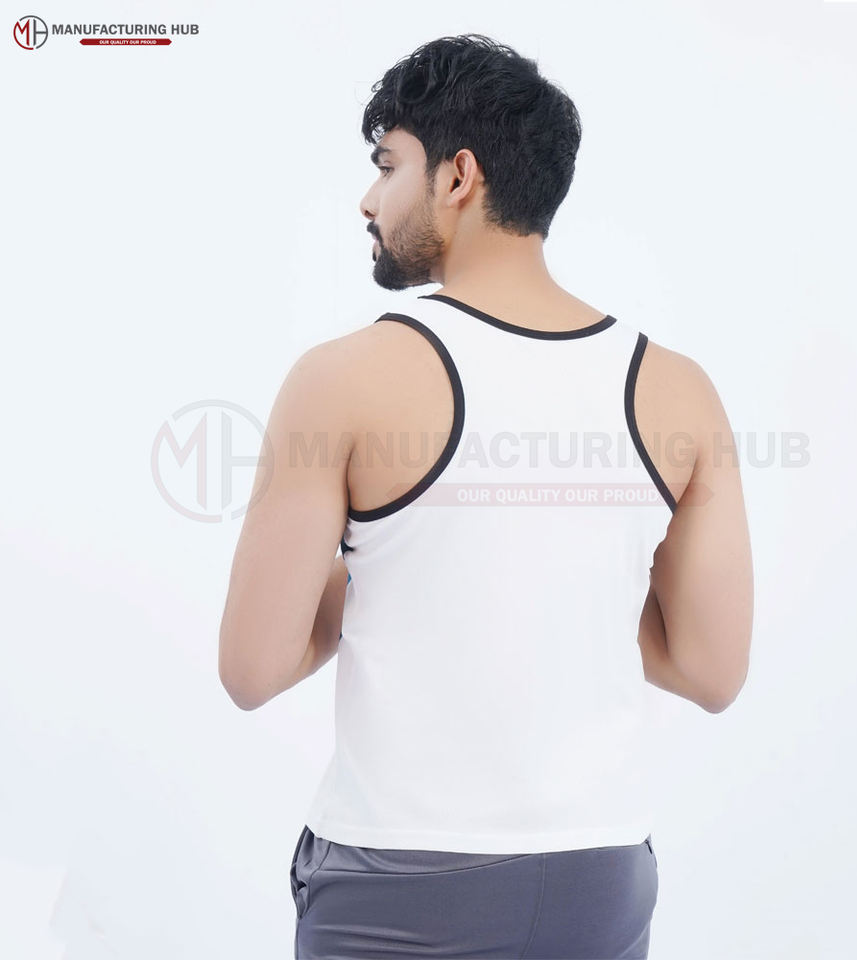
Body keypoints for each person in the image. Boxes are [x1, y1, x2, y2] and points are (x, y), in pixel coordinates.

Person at [219, 33, 753, 959]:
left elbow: (252, 669)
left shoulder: (344, 378)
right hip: (600, 877)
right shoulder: (680, 391)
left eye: (387, 165)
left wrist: (392, 570)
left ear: (458, 176)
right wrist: (567, 578)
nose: (368, 199)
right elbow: (711, 670)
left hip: (403, 884)